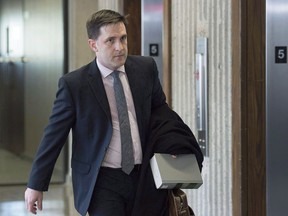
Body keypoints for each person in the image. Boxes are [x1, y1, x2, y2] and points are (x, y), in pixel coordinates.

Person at [25, 9, 203, 216]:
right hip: (102, 181)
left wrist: (174, 142)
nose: (120, 47)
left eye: (123, 38)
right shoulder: (75, 85)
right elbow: (54, 136)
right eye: (110, 40)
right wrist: (36, 184)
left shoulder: (145, 69)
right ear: (94, 45)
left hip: (145, 175)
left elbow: (161, 111)